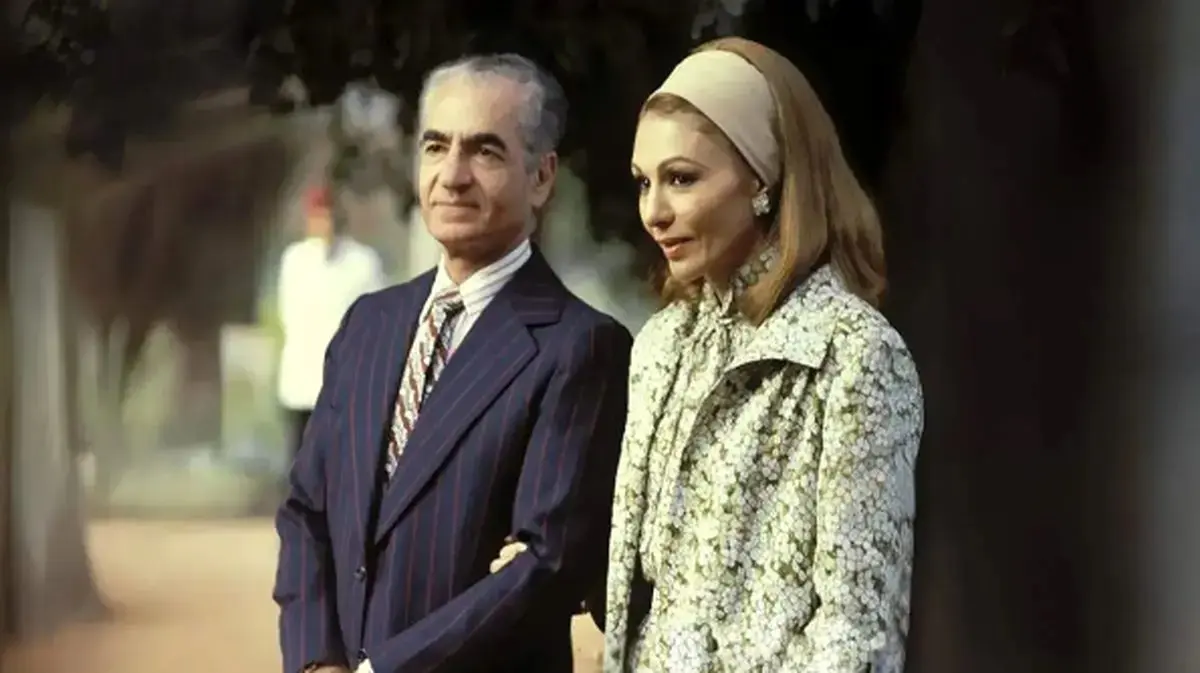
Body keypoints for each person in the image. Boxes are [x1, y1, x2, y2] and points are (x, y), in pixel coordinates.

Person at [493, 37, 924, 672]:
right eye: (644, 183)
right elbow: (659, 596)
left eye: (681, 179)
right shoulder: (662, 345)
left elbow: (858, 638)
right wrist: (569, 579)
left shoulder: (854, 355)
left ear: (763, 179)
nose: (653, 212)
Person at [273, 53, 633, 673]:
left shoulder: (581, 348)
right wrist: (315, 661)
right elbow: (308, 509)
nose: (453, 175)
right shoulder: (367, 325)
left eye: (485, 151)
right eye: (436, 146)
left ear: (541, 177)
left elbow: (543, 564)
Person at [275, 185, 387, 461]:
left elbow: (379, 319)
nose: (323, 225)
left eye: (327, 216)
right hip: (301, 383)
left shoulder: (362, 262)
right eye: (317, 217)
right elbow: (288, 315)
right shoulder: (295, 260)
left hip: (347, 386)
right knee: (301, 462)